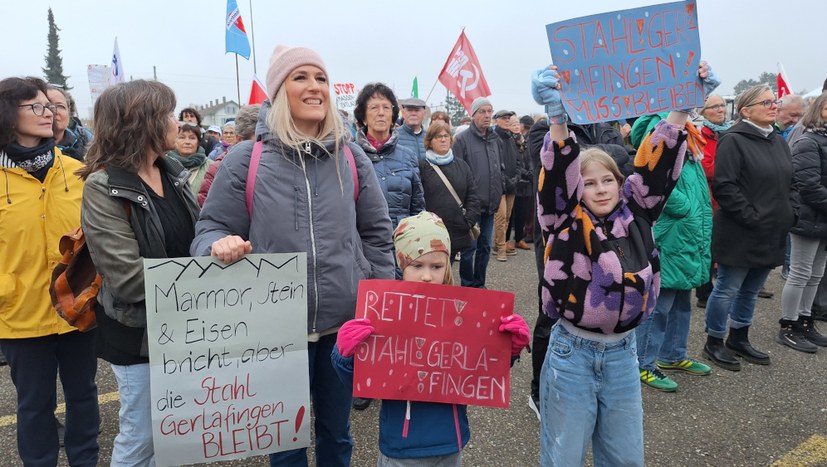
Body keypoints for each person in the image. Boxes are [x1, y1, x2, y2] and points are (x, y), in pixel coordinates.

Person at [190, 44, 394, 467]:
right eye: (301, 77)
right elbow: (209, 228)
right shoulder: (247, 159)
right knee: (285, 442)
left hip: (344, 328)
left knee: (337, 436)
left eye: (320, 78)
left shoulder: (351, 157)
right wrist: (217, 244)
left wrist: (381, 300)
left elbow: (377, 235)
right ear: (280, 90)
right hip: (276, 333)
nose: (314, 87)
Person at [533, 63, 699, 466]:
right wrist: (557, 118)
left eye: (607, 180)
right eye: (588, 183)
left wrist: (680, 107)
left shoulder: (637, 212)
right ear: (577, 189)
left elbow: (657, 168)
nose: (600, 189)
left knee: (625, 457)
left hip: (624, 354)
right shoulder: (564, 221)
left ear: (619, 182)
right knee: (563, 456)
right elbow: (557, 175)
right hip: (572, 353)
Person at [331, 211, 530, 466]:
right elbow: (363, 381)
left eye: (436, 266)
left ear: (447, 265)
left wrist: (509, 349)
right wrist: (344, 354)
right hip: (401, 447)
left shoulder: (463, 313)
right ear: (401, 266)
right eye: (417, 265)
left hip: (451, 443)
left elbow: (480, 367)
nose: (427, 275)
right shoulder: (385, 315)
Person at [79, 79, 199, 466]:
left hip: (184, 328)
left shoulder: (173, 171)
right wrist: (206, 280)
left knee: (176, 435)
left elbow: (194, 240)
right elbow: (128, 279)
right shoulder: (103, 187)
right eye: (167, 114)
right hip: (139, 336)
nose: (177, 123)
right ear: (142, 123)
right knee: (142, 437)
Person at [0, 76, 100, 467]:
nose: (50, 114)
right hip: (19, 314)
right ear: (9, 113)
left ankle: (85, 460)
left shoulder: (78, 172)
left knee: (83, 395)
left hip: (78, 308)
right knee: (33, 405)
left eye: (53, 107)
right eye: (37, 107)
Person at [703, 85, 796, 371]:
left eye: (774, 101)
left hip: (772, 229)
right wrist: (752, 217)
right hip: (741, 230)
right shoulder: (733, 140)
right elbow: (725, 186)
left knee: (751, 289)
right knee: (727, 288)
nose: (773, 106)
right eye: (766, 102)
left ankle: (739, 338)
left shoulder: (778, 141)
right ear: (745, 110)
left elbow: (790, 182)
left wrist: (791, 212)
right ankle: (714, 340)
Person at [630, 108, 715, 392]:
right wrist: (684, 208)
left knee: (682, 300)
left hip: (688, 232)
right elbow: (654, 177)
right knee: (659, 304)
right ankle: (643, 362)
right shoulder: (661, 126)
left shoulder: (689, 130)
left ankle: (673, 355)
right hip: (672, 230)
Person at [778, 92, 827, 352]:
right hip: (808, 216)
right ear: (818, 109)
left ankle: (806, 321)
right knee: (799, 273)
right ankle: (788, 325)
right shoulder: (808, 141)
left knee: (816, 273)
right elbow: (809, 185)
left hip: (823, 218)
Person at [353, 83, 425, 231]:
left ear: (393, 117)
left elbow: (417, 207)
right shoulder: (351, 154)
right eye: (374, 107)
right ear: (363, 117)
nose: (381, 113)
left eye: (386, 107)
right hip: (363, 244)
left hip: (401, 241)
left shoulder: (408, 157)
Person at [453, 97, 502, 288]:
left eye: (490, 111)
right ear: (473, 115)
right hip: (470, 205)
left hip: (491, 203)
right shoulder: (462, 140)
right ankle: (467, 285)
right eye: (482, 111)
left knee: (486, 247)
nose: (487, 115)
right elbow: (457, 172)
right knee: (468, 248)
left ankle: (480, 284)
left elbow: (499, 168)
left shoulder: (494, 139)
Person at [418, 121, 481, 258]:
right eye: (437, 136)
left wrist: (468, 221)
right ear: (429, 141)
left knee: (447, 271)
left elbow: (473, 196)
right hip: (430, 232)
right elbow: (416, 199)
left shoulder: (462, 166)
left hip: (457, 231)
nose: (442, 139)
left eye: (446, 136)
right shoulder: (422, 166)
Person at [694, 94, 731, 307]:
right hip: (709, 199)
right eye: (714, 106)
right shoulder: (701, 135)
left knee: (721, 243)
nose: (720, 110)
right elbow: (705, 167)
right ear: (703, 112)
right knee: (707, 244)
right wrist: (732, 169)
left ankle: (717, 284)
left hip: (726, 199)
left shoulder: (729, 133)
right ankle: (704, 291)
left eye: (722, 105)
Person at [197, 104, 259, 206]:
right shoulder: (219, 166)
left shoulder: (274, 164)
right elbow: (205, 203)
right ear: (239, 138)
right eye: (226, 133)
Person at [492, 109, 520, 262]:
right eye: (504, 118)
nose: (507, 120)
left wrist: (516, 177)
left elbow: (517, 160)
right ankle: (501, 248)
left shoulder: (511, 138)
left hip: (512, 184)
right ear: (497, 120)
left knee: (508, 216)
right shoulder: (494, 138)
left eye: (509, 117)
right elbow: (494, 162)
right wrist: (505, 179)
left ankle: (498, 245)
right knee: (501, 217)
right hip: (499, 184)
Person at [507, 114, 533, 252]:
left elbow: (529, 159)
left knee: (523, 212)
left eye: (517, 124)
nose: (516, 126)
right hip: (515, 181)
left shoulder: (525, 141)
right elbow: (512, 162)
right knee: (510, 214)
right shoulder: (507, 141)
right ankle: (505, 240)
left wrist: (530, 171)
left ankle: (519, 239)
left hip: (527, 184)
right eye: (513, 124)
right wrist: (524, 172)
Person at [166, 122, 212, 197]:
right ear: (175, 140)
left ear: (198, 142)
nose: (187, 142)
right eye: (182, 137)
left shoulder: (211, 166)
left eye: (192, 138)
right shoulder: (164, 164)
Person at [45, 86, 89, 161]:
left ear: (69, 112)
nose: (54, 111)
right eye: (48, 106)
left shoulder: (85, 139)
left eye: (60, 106)